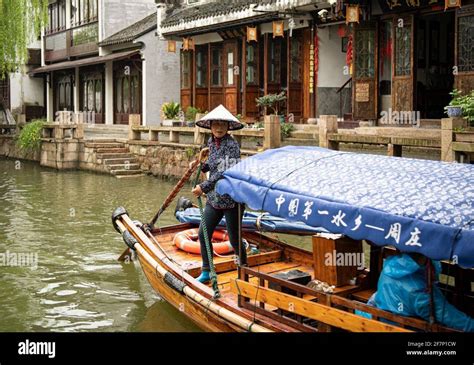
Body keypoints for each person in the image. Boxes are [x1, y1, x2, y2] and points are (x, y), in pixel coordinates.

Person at [191, 105, 246, 283]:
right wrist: (202, 165)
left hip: (232, 199)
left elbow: (223, 172)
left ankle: (243, 270)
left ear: (228, 126)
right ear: (211, 125)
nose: (219, 128)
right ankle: (207, 270)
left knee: (235, 239)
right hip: (214, 199)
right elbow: (213, 166)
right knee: (203, 233)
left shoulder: (232, 145)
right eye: (216, 124)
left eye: (223, 124)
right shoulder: (211, 142)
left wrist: (203, 187)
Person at [364, 253, 474, 332]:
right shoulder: (420, 290)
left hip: (381, 323)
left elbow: (378, 296)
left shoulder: (389, 269)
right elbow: (450, 317)